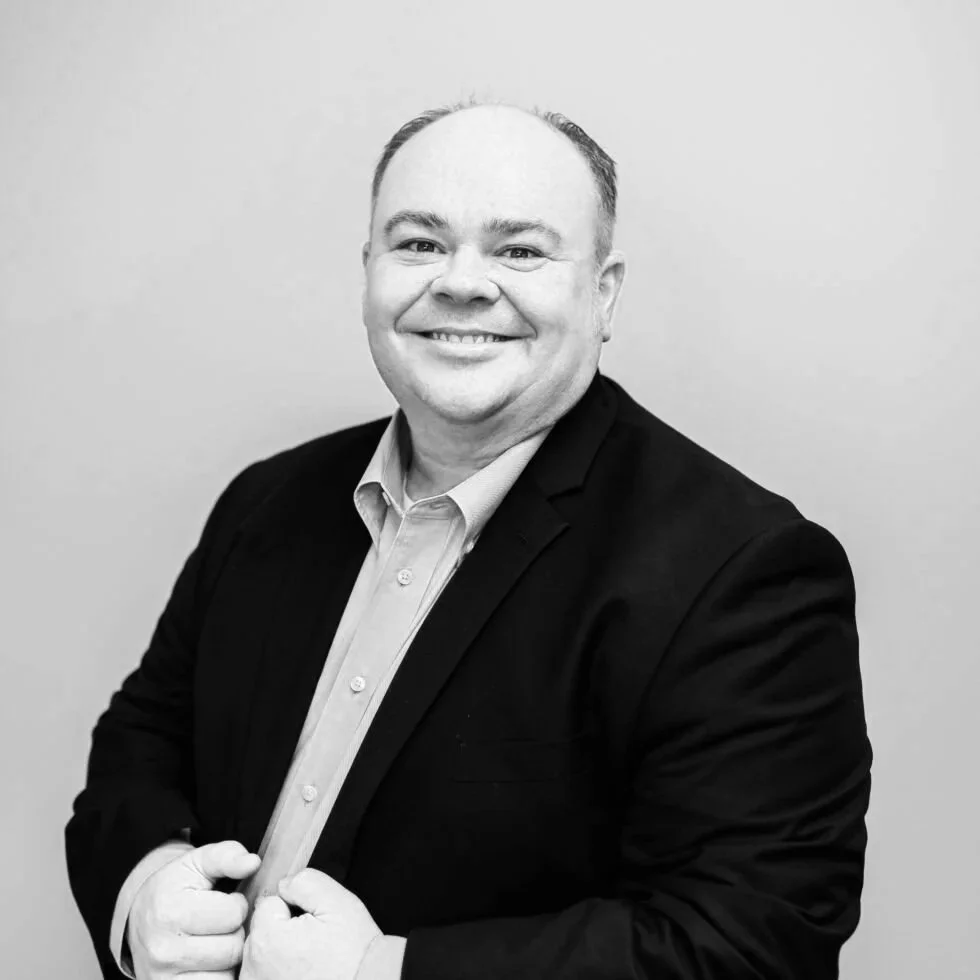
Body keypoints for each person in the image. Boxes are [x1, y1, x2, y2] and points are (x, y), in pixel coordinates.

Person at [66, 100, 872, 980]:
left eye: (519, 249)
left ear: (602, 294)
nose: (460, 282)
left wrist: (389, 972)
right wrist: (141, 890)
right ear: (368, 270)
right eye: (418, 243)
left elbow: (754, 941)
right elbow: (141, 743)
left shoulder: (743, 569)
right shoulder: (269, 500)